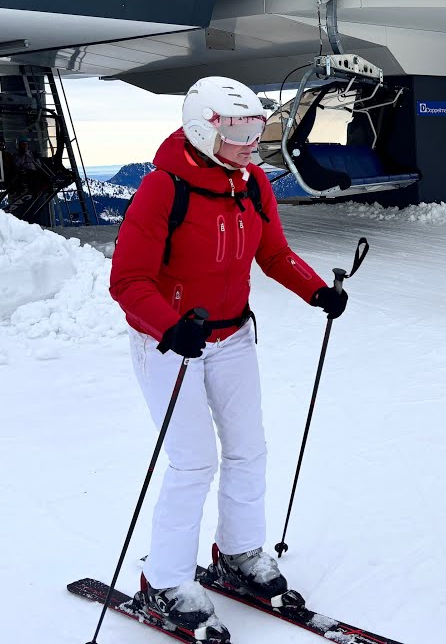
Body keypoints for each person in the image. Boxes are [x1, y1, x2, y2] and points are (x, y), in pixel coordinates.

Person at [109, 76, 349, 636]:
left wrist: (316, 290)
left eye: (256, 125)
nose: (253, 138)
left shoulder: (254, 182)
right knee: (193, 461)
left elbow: (274, 252)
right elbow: (128, 281)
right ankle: (166, 582)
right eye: (239, 127)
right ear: (204, 128)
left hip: (233, 336)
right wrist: (169, 326)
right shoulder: (163, 189)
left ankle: (240, 553)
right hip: (169, 342)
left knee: (248, 449)